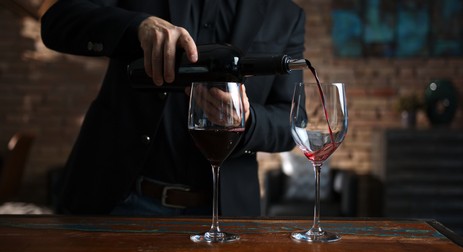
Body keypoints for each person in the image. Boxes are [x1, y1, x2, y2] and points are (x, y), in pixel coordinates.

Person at [41, 0, 305, 216]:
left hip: (223, 213)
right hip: (118, 198)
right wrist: (136, 26)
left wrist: (248, 121)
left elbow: (290, 121)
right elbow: (56, 21)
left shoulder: (287, 15)